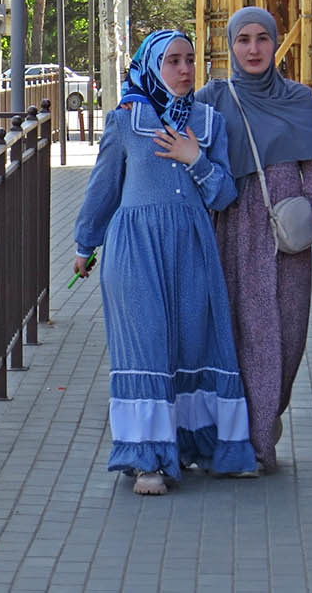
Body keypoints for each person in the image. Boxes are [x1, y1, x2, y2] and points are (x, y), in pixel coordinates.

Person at [73, 29, 257, 494]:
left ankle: (196, 444)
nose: (183, 69)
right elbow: (103, 187)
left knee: (192, 345)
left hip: (193, 248)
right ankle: (146, 461)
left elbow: (223, 195)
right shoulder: (125, 120)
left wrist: (195, 157)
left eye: (190, 60)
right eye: (173, 60)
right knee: (147, 344)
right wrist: (83, 244)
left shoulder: (208, 122)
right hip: (134, 250)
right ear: (152, 66)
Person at [196, 7, 312, 473]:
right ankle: (254, 442)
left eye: (262, 39)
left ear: (275, 43)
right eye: (243, 40)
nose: (253, 49)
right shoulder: (214, 97)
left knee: (288, 336)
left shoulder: (298, 98)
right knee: (248, 334)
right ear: (231, 45)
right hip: (233, 227)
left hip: (286, 233)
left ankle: (264, 418)